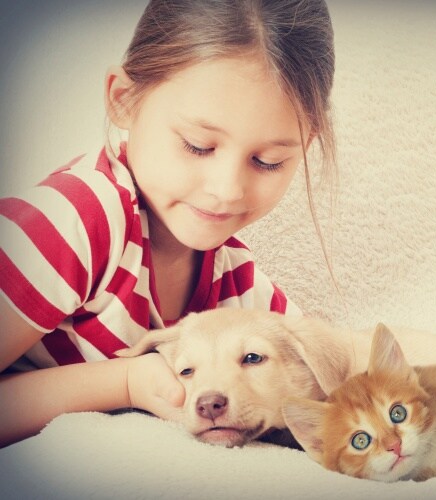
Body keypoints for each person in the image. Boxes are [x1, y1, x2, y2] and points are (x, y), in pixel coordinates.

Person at [0, 0, 336, 448]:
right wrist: (124, 384)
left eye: (267, 161)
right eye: (198, 146)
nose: (228, 189)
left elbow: (327, 383)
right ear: (123, 99)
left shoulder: (235, 277)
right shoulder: (75, 219)